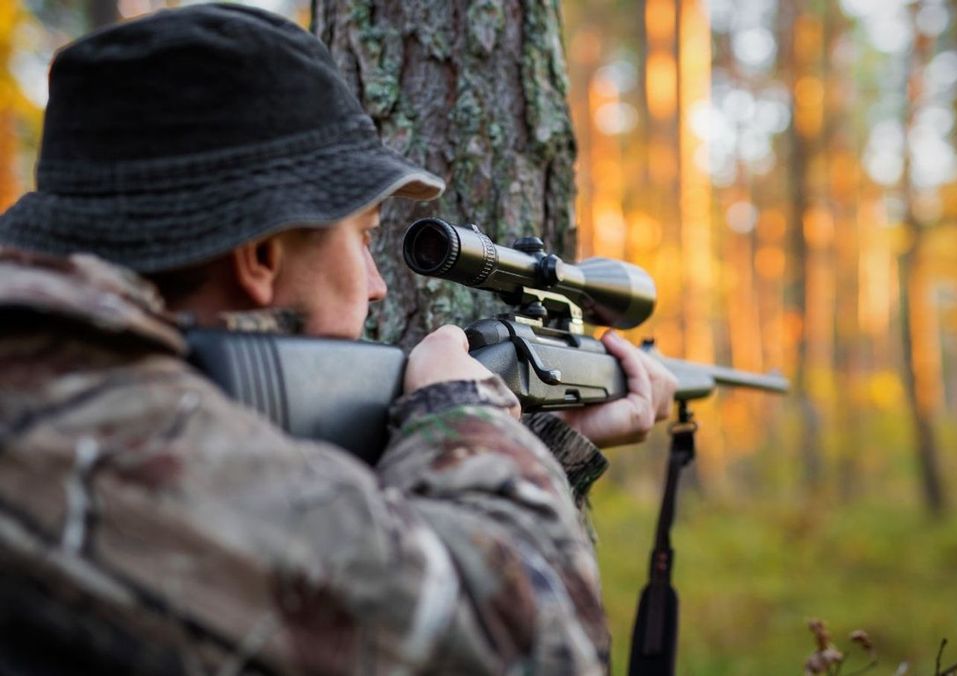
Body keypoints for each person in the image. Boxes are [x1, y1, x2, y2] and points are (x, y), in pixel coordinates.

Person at [0, 4, 676, 674]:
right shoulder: (115, 440)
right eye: (363, 237)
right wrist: (462, 412)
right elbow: (532, 649)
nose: (379, 285)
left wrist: (534, 440)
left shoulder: (61, 390)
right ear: (261, 257)